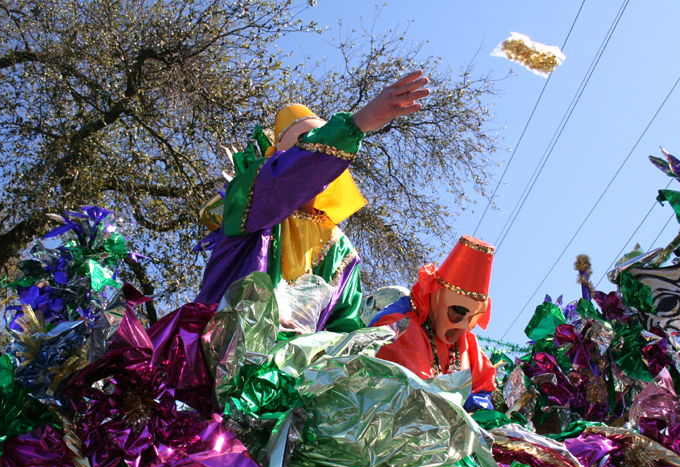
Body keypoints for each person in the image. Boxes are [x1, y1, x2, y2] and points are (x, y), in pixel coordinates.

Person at [195, 71, 430, 333]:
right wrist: (360, 122)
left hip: (291, 368)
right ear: (277, 156)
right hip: (220, 349)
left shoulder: (340, 248)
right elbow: (284, 178)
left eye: (319, 141)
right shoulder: (251, 196)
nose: (314, 149)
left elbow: (343, 327)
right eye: (301, 144)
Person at [369, 235, 498, 399]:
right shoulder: (397, 324)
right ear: (436, 296)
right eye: (459, 311)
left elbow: (483, 388)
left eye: (474, 318)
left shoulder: (468, 345)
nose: (464, 326)